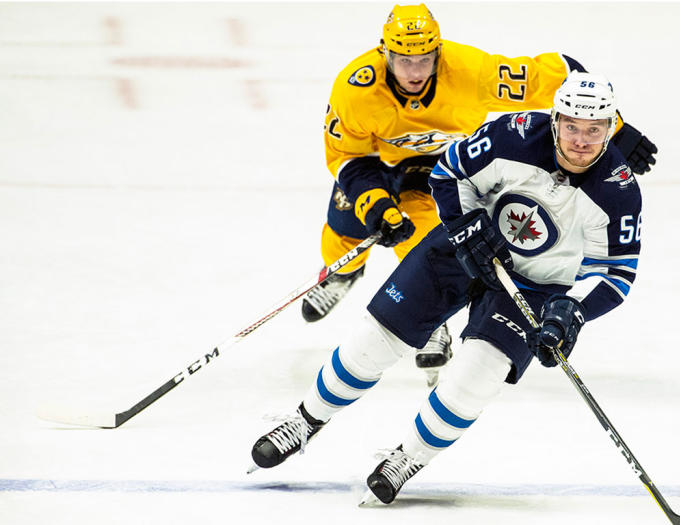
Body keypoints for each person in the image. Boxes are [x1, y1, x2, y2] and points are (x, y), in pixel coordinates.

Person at [251, 71, 645, 505]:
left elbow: (615, 272)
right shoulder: (511, 135)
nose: (581, 141)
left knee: (475, 381)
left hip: (535, 286)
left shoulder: (619, 190)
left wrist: (569, 312)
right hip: (462, 248)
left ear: (611, 128)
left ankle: (408, 457)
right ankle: (305, 421)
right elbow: (449, 172)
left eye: (594, 130)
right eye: (571, 126)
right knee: (374, 341)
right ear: (555, 121)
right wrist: (466, 224)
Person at [300, 3, 657, 385]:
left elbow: (562, 74)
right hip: (379, 166)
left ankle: (430, 321)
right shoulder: (354, 89)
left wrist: (614, 127)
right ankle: (343, 274)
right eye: (404, 60)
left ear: (439, 51)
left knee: (425, 238)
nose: (415, 71)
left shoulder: (472, 72)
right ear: (383, 52)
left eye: (425, 59)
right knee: (345, 229)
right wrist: (374, 202)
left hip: (443, 168)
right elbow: (347, 156)